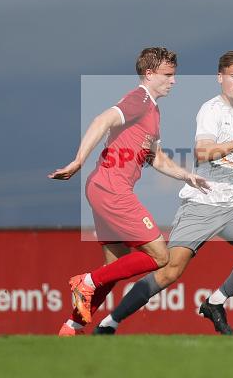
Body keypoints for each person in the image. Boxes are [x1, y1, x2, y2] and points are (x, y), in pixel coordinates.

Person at [93, 50, 233, 335]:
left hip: (232, 206)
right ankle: (110, 323)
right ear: (220, 78)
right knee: (170, 270)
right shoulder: (211, 110)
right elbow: (203, 152)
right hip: (201, 204)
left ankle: (215, 303)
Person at [51, 47, 209, 335]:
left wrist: (187, 176)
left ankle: (71, 327)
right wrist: (78, 160)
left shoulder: (153, 110)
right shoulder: (139, 99)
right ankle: (86, 282)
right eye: (168, 75)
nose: (173, 81)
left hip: (101, 187)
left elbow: (155, 156)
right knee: (161, 257)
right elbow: (102, 120)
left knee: (115, 268)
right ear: (149, 74)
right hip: (112, 190)